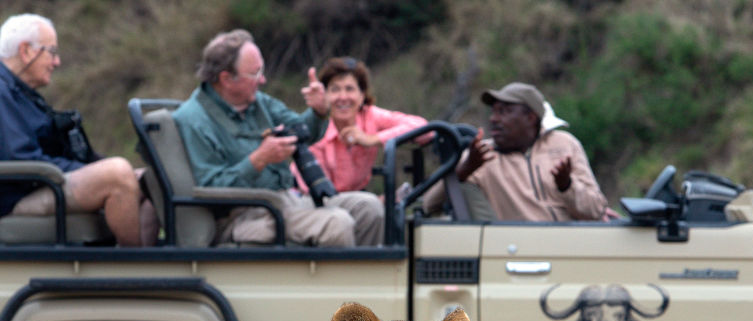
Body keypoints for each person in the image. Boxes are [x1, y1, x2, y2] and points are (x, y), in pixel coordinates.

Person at [172, 30, 383, 247]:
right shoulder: (194, 120)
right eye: (254, 74)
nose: (262, 79)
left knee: (369, 208)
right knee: (336, 223)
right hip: (242, 217)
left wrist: (319, 112)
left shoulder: (257, 102)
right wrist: (258, 160)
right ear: (226, 79)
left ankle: (364, 281)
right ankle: (337, 280)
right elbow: (210, 188)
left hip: (284, 202)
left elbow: (302, 132)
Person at [0, 13, 155, 246]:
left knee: (149, 179)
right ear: (26, 51)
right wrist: (85, 172)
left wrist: (88, 168)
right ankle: (134, 267)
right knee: (118, 174)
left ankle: (148, 255)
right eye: (52, 52)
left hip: (43, 182)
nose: (57, 62)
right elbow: (22, 161)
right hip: (21, 195)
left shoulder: (19, 92)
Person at [424, 82, 614, 222]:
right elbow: (429, 205)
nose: (494, 119)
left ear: (531, 118)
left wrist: (567, 186)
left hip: (569, 249)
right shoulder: (482, 154)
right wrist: (464, 170)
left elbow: (596, 209)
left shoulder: (564, 144)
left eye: (504, 111)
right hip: (515, 251)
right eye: (494, 112)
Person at [296, 57, 428, 193]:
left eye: (350, 89)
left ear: (362, 95)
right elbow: (319, 194)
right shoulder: (315, 127)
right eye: (335, 90)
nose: (343, 97)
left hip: (356, 201)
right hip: (312, 203)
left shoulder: (370, 115)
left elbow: (422, 128)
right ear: (324, 96)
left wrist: (372, 139)